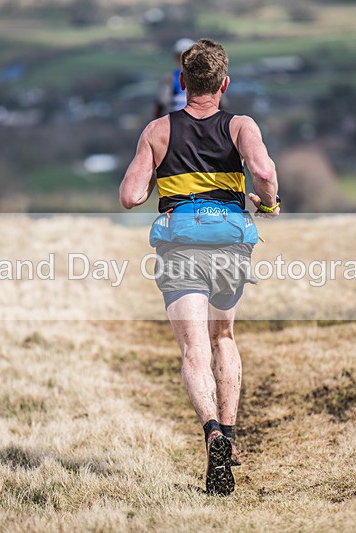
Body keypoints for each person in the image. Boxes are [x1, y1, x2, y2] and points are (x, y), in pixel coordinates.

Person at [120, 38, 280, 496]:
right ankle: (227, 437)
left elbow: (130, 196)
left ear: (183, 82)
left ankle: (210, 430)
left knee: (194, 351)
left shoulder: (158, 131)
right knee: (223, 336)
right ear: (224, 84)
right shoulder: (241, 125)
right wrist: (268, 203)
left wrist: (154, 173)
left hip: (181, 249)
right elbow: (265, 174)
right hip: (229, 247)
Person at [153, 38, 194, 118]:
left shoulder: (171, 77)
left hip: (177, 119)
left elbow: (163, 101)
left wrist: (157, 116)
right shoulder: (204, 76)